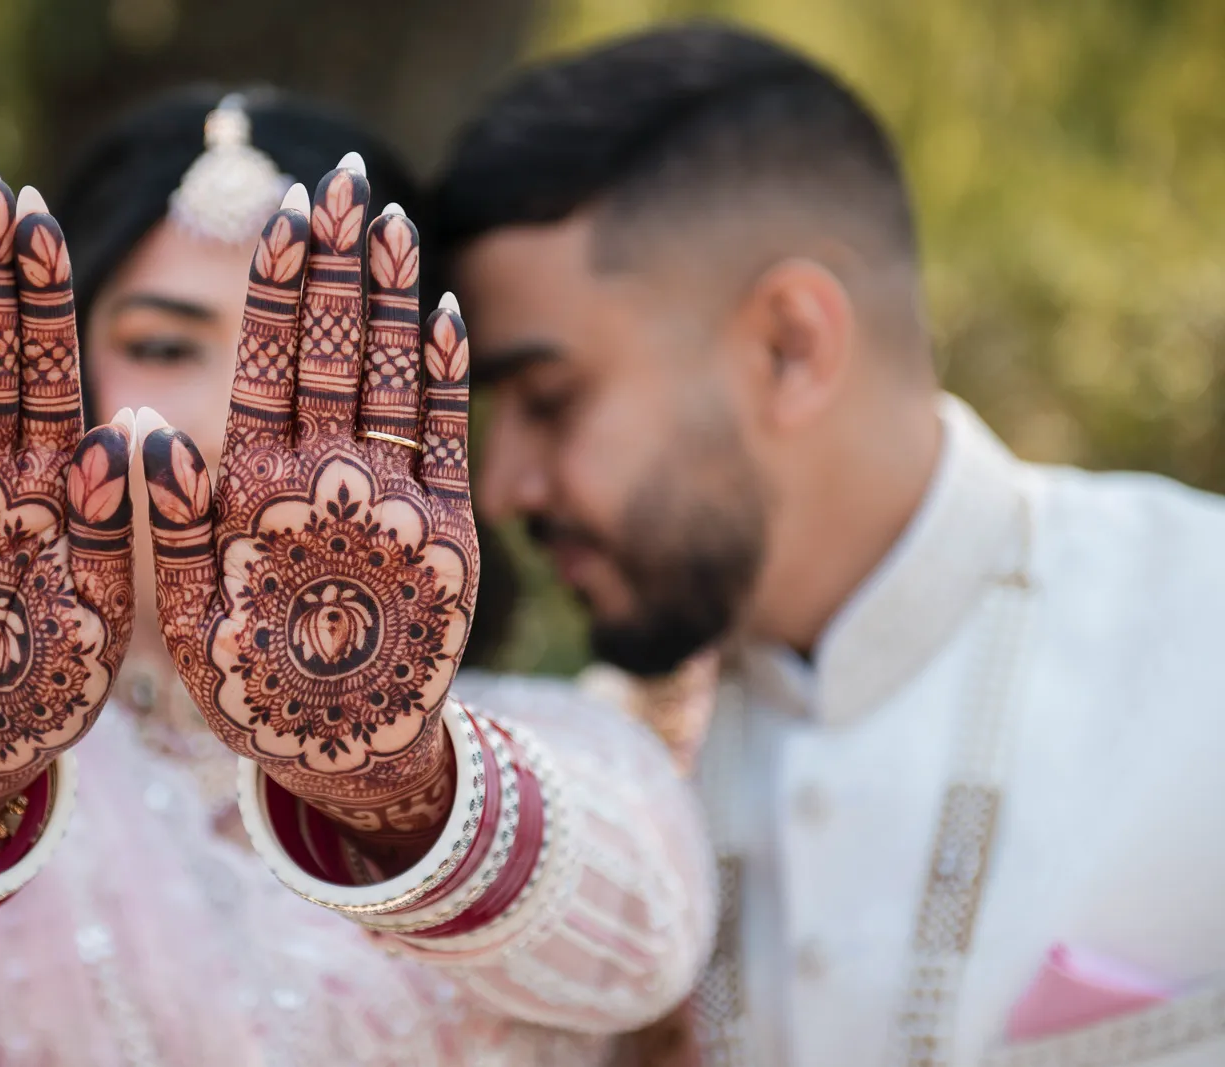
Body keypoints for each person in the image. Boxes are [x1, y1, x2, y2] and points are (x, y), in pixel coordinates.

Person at [0, 87, 712, 1065]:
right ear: (46, 366)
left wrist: (398, 793)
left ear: (414, 416)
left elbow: (644, 949)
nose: (220, 425)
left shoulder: (550, 757)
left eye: (290, 364)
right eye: (163, 346)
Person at [433, 21, 1225, 1067]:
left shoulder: (1200, 627)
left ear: (790, 345)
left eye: (548, 398)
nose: (503, 487)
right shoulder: (603, 771)